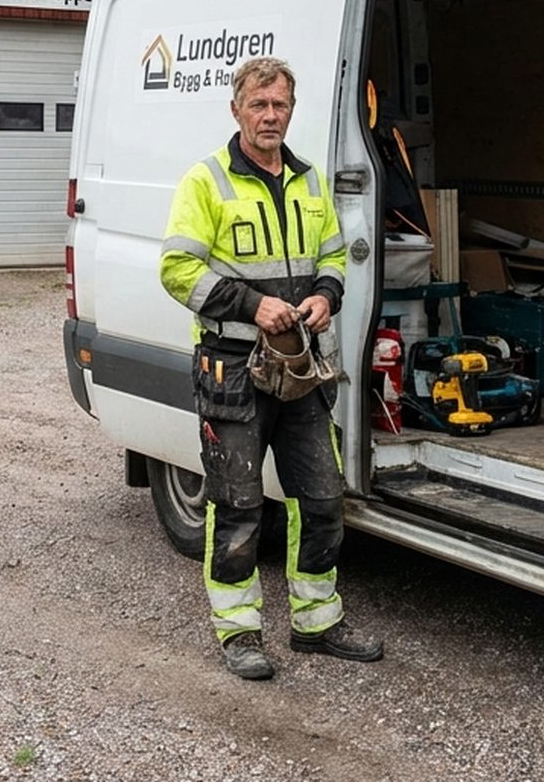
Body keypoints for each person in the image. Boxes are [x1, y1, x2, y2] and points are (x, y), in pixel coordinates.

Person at [159, 56, 384, 680]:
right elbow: (178, 271)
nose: (270, 116)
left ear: (291, 109)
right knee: (237, 504)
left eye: (280, 105)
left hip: (300, 368)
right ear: (237, 110)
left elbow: (335, 257)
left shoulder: (310, 182)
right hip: (232, 366)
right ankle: (238, 632)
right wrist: (253, 305)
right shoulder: (205, 182)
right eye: (258, 105)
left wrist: (325, 297)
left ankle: (316, 622)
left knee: (322, 496)